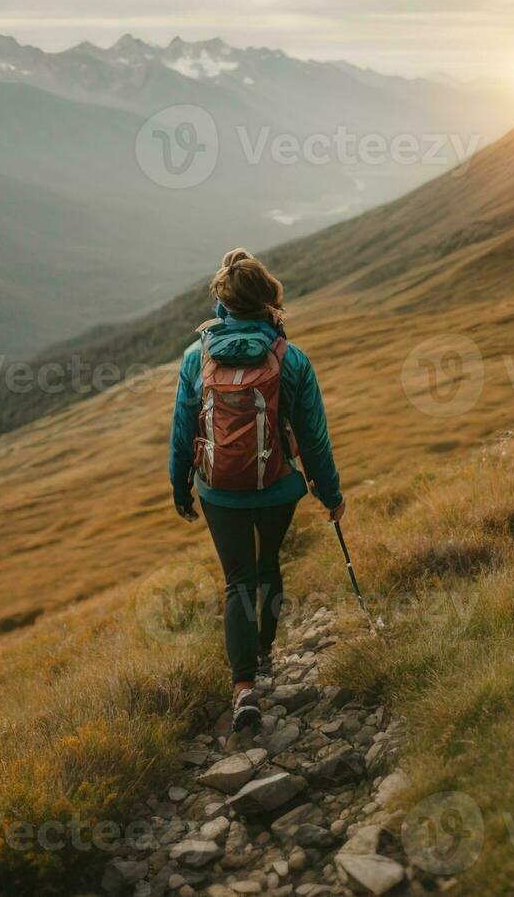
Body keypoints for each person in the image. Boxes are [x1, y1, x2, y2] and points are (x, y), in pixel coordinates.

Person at [169, 248, 345, 731]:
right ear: (269, 302)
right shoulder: (291, 360)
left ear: (224, 302)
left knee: (237, 580)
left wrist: (181, 486)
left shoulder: (195, 357)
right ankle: (263, 655)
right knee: (268, 565)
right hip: (277, 488)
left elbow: (184, 429)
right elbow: (313, 436)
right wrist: (330, 494)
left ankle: (243, 686)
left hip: (217, 490)